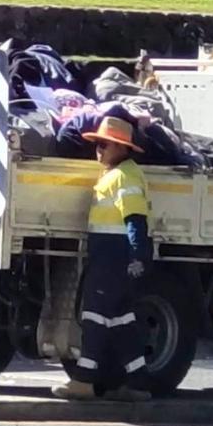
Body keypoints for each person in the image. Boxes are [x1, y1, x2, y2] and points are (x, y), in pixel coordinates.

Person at [52, 116, 152, 402]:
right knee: (121, 320)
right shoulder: (117, 173)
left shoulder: (124, 177)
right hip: (113, 255)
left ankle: (84, 380)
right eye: (97, 144)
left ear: (122, 148)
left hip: (113, 257)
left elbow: (135, 220)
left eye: (104, 144)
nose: (98, 149)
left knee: (94, 316)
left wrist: (137, 256)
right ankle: (138, 382)